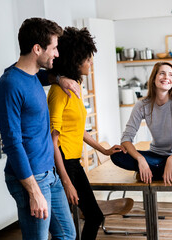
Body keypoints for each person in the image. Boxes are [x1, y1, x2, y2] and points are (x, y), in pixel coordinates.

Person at [0, 18, 78, 239]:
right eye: (54, 48)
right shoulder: (10, 84)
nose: (57, 54)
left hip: (49, 172)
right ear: (37, 48)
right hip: (31, 178)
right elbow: (11, 143)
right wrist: (33, 191)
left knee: (67, 234)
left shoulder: (31, 76)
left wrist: (60, 79)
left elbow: (42, 76)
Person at [47, 27, 125, 240]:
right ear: (75, 59)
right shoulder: (58, 92)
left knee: (94, 216)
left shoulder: (75, 87)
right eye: (88, 58)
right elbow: (53, 141)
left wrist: (104, 150)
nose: (91, 63)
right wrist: (66, 181)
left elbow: (78, 130)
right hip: (62, 162)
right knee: (65, 229)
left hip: (73, 161)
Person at [111, 61, 172, 185]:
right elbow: (126, 138)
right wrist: (140, 159)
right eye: (162, 74)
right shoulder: (142, 105)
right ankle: (169, 172)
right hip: (154, 156)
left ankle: (152, 172)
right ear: (154, 78)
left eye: (170, 75)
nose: (166, 77)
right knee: (117, 155)